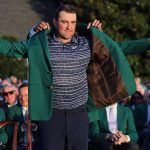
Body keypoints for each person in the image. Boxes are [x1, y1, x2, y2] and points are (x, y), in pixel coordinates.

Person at [0, 4, 150, 150]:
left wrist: (147, 43)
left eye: (73, 22)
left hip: (79, 114)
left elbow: (120, 48)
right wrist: (33, 32)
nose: (69, 27)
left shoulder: (86, 44)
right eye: (64, 22)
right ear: (54, 22)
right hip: (51, 115)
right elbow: (11, 49)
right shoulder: (40, 44)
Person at [6, 83, 39, 150]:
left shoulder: (39, 109)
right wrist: (21, 127)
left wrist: (35, 127)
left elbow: (45, 129)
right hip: (19, 144)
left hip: (37, 143)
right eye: (21, 95)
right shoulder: (11, 111)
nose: (23, 98)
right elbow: (8, 131)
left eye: (26, 95)